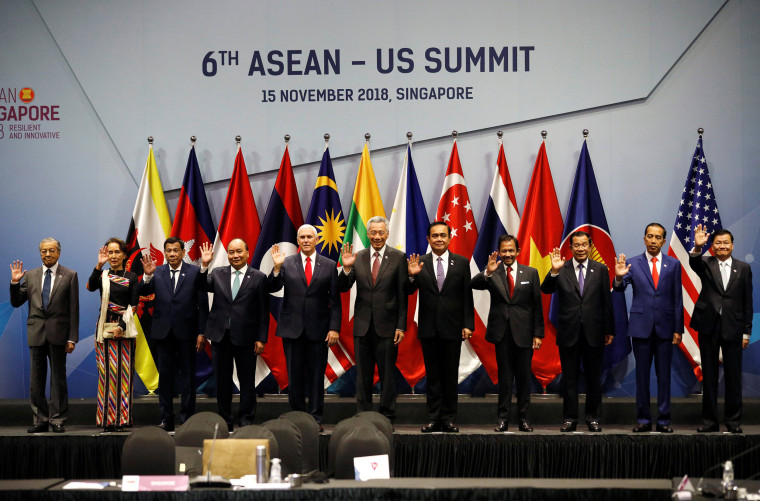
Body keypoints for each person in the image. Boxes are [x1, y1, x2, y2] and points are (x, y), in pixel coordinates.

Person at [269, 224, 341, 432]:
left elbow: (335, 301)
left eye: (310, 236)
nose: (306, 240)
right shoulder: (286, 262)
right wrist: (275, 268)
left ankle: (315, 419)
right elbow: (273, 288)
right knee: (295, 376)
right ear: (298, 241)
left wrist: (334, 328)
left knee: (317, 377)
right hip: (292, 330)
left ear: (316, 240)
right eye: (302, 237)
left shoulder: (328, 265)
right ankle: (298, 419)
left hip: (319, 331)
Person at [540, 231, 614, 432]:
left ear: (590, 247)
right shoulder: (561, 268)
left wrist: (609, 329)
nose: (580, 248)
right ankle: (570, 419)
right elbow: (546, 289)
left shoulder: (600, 269)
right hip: (568, 332)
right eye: (576, 245)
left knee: (593, 379)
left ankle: (593, 418)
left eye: (584, 245)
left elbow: (607, 302)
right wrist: (553, 271)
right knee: (569, 380)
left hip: (594, 331)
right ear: (570, 248)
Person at [614, 223, 682, 433]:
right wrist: (618, 276)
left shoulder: (673, 264)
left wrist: (678, 329)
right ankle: (643, 420)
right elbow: (620, 287)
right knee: (642, 376)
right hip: (641, 328)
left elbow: (677, 299)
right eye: (650, 236)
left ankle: (663, 421)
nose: (653, 240)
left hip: (665, 328)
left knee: (664, 376)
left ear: (663, 241)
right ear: (644, 239)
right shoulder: (633, 263)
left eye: (657, 237)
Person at [471, 234, 543, 432]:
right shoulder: (493, 271)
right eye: (504, 251)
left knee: (523, 380)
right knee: (504, 380)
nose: (508, 254)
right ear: (499, 252)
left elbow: (537, 305)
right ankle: (502, 420)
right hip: (502, 334)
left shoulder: (531, 273)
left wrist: (538, 334)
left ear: (518, 252)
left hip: (525, 334)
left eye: (511, 250)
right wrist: (487, 272)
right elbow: (474, 284)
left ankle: (524, 420)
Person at [407, 221, 474, 433]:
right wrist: (411, 276)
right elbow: (408, 291)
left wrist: (467, 324)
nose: (439, 239)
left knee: (449, 377)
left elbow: (467, 297)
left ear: (449, 237)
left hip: (453, 329)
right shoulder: (420, 262)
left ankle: (449, 419)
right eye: (434, 236)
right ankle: (433, 419)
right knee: (433, 377)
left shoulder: (462, 263)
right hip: (429, 329)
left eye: (442, 235)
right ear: (428, 239)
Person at [339, 216, 408, 422]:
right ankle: (364, 416)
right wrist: (346, 268)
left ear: (387, 234)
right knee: (363, 376)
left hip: (388, 327)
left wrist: (401, 326)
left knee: (387, 376)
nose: (377, 236)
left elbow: (403, 295)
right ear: (367, 234)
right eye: (373, 233)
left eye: (381, 232)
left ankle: (387, 416)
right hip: (362, 327)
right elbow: (343, 286)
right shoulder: (357, 257)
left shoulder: (398, 257)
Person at [140, 237, 211, 432]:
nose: (172, 254)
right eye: (168, 250)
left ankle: (187, 419)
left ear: (182, 252)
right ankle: (166, 419)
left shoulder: (195, 272)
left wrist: (201, 332)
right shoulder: (157, 271)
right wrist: (147, 277)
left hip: (187, 333)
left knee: (188, 377)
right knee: (165, 378)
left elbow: (203, 303)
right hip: (163, 334)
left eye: (176, 250)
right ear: (165, 253)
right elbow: (144, 292)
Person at [10, 238, 79, 434]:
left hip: (59, 334)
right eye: (43, 251)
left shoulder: (70, 275)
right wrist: (15, 283)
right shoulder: (30, 275)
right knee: (36, 381)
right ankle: (40, 419)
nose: (47, 254)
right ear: (40, 253)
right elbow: (16, 302)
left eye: (51, 251)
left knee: (58, 379)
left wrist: (72, 338)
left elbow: (74, 309)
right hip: (36, 333)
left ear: (58, 252)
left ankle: (57, 419)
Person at [690, 225, 753, 433]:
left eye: (726, 242)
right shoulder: (706, 263)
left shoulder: (743, 268)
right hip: (708, 326)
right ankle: (709, 422)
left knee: (733, 377)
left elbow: (747, 302)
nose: (722, 246)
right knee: (709, 376)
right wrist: (698, 246)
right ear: (713, 246)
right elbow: (694, 262)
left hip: (733, 327)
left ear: (732, 245)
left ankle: (733, 422)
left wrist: (746, 332)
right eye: (718, 243)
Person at [201, 239, 268, 432]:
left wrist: (261, 338)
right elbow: (202, 285)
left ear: (247, 252)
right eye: (231, 252)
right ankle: (225, 421)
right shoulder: (217, 273)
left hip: (246, 338)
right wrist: (204, 265)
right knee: (222, 382)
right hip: (220, 336)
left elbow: (263, 311)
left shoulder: (259, 277)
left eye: (239, 251)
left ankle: (246, 420)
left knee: (247, 382)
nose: (235, 255)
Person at [86, 237, 140, 431]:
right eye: (110, 252)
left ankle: (122, 419)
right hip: (103, 329)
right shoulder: (103, 275)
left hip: (124, 328)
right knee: (107, 375)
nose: (114, 256)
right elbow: (90, 286)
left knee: (124, 375)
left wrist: (122, 327)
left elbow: (133, 305)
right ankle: (106, 420)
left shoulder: (132, 277)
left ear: (125, 255)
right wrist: (99, 265)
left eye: (117, 252)